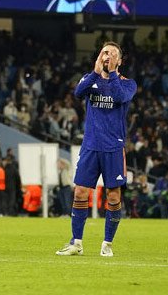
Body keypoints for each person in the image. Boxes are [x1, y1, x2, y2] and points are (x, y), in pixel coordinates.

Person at [56, 41, 137, 257]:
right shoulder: (90, 79)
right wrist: (95, 72)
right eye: (104, 52)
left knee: (113, 196)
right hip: (91, 146)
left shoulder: (128, 84)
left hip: (113, 147)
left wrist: (110, 74)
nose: (107, 55)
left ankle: (107, 243)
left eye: (112, 53)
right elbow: (77, 92)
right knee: (81, 192)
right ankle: (76, 243)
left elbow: (120, 97)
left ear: (119, 60)